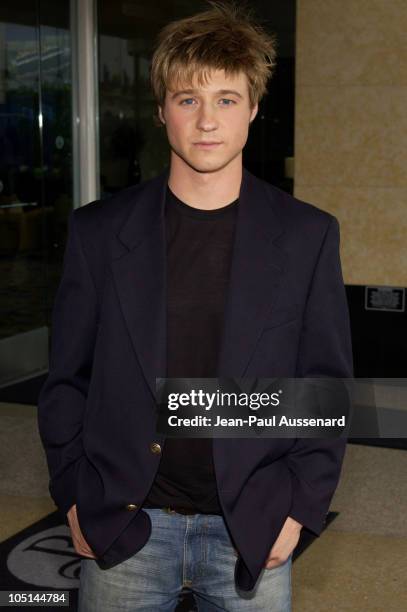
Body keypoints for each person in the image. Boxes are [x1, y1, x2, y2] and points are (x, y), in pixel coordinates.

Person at [37, 2, 353, 611]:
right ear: (162, 112)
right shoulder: (98, 233)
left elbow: (323, 385)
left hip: (252, 530)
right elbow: (68, 380)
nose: (207, 121)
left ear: (254, 108)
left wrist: (299, 508)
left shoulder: (308, 235)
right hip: (128, 531)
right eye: (188, 100)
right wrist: (74, 493)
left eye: (227, 100)